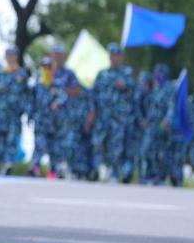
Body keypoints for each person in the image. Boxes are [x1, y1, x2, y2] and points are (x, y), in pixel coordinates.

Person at [91, 44, 136, 182]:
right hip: (103, 116)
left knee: (116, 146)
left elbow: (135, 92)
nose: (114, 58)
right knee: (98, 143)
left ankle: (114, 172)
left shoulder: (127, 73)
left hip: (119, 118)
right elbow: (94, 95)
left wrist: (125, 85)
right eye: (112, 55)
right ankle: (99, 169)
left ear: (121, 57)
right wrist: (92, 112)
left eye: (117, 55)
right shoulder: (102, 74)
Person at [0, 46, 27, 176]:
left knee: (12, 140)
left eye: (13, 55)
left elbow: (27, 94)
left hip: (14, 113)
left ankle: (8, 164)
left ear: (17, 57)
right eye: (8, 55)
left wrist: (24, 109)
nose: (11, 57)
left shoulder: (22, 74)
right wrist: (0, 87)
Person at [57, 73, 93, 179]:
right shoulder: (66, 95)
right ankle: (72, 169)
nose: (67, 91)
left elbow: (92, 110)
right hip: (71, 127)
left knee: (83, 149)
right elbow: (59, 105)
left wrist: (88, 123)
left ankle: (84, 171)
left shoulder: (86, 94)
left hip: (84, 127)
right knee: (69, 146)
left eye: (68, 88)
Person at [29, 55, 56, 177]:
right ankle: (35, 167)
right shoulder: (36, 84)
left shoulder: (56, 83)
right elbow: (31, 100)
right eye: (44, 66)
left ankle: (53, 170)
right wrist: (30, 115)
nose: (46, 69)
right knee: (39, 143)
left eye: (48, 66)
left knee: (53, 146)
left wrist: (57, 103)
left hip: (53, 121)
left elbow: (63, 97)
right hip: (40, 119)